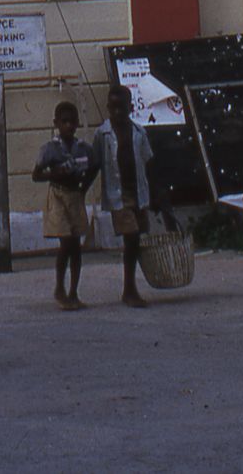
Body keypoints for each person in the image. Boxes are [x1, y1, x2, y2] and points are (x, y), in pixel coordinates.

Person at [92, 83, 155, 307]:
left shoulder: (139, 132)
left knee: (136, 240)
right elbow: (95, 164)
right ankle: (129, 289)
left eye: (122, 108)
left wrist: (156, 196)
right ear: (108, 108)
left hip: (138, 193)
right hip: (119, 196)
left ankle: (131, 287)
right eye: (113, 108)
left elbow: (148, 162)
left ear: (130, 107)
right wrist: (81, 190)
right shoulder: (102, 134)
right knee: (131, 238)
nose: (117, 113)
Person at [33, 100, 96, 309]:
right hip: (58, 196)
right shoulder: (50, 149)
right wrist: (54, 173)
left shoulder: (83, 149)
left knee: (76, 246)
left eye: (72, 122)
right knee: (66, 242)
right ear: (56, 123)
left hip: (75, 197)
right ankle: (60, 286)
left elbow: (95, 166)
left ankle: (74, 292)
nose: (69, 126)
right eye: (64, 122)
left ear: (77, 123)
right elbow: (37, 175)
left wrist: (84, 187)